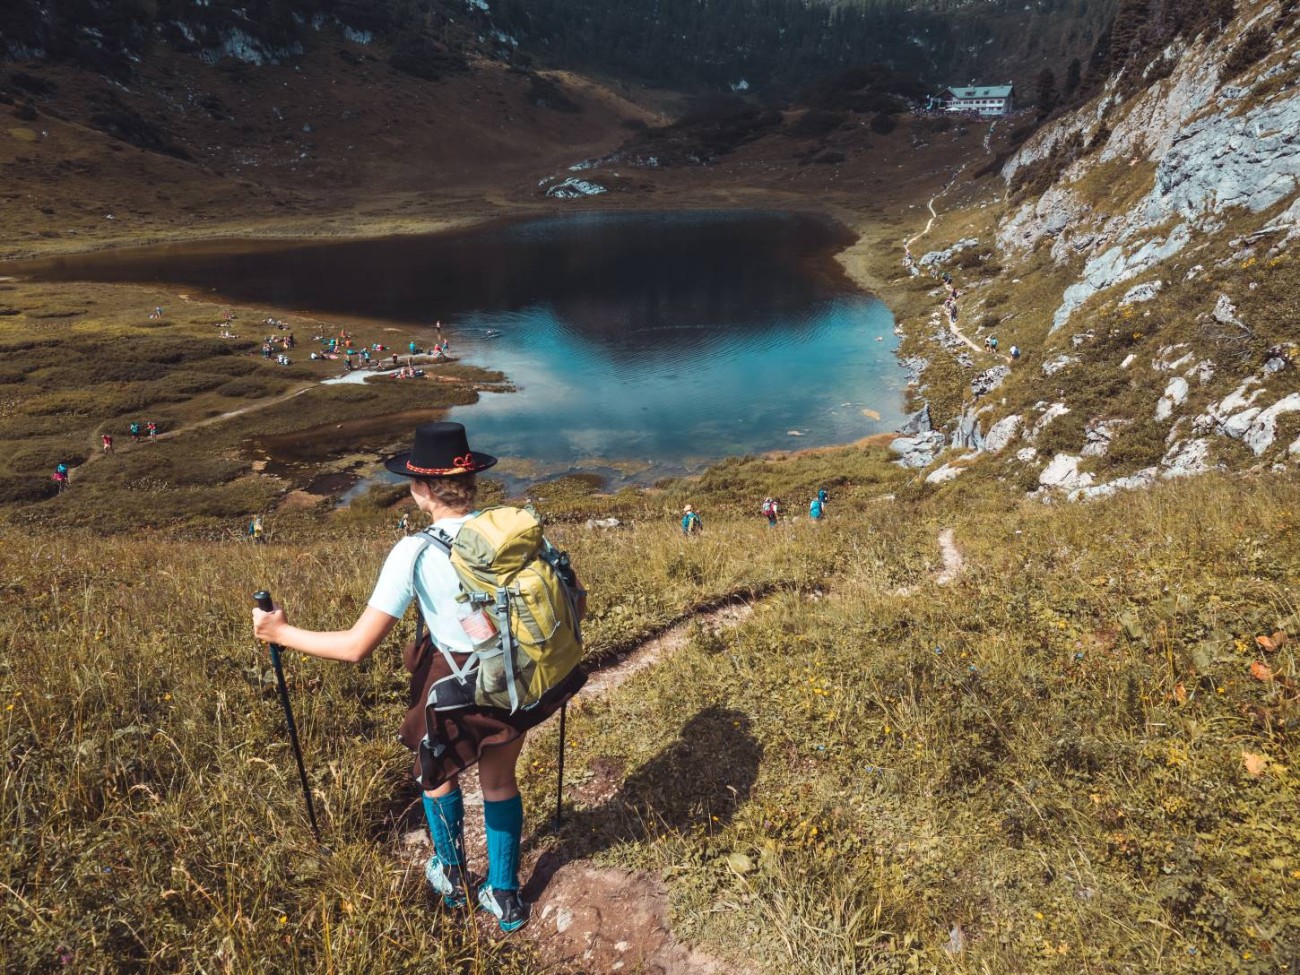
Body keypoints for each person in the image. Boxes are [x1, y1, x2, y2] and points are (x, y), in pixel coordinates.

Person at [251, 422, 585, 933]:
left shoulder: (415, 551)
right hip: (516, 680)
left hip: (452, 684)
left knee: (437, 776)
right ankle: (506, 897)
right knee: (499, 781)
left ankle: (452, 876)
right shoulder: (511, 533)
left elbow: (356, 647)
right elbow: (569, 599)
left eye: (412, 480)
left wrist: (281, 633)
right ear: (470, 479)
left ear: (424, 490)